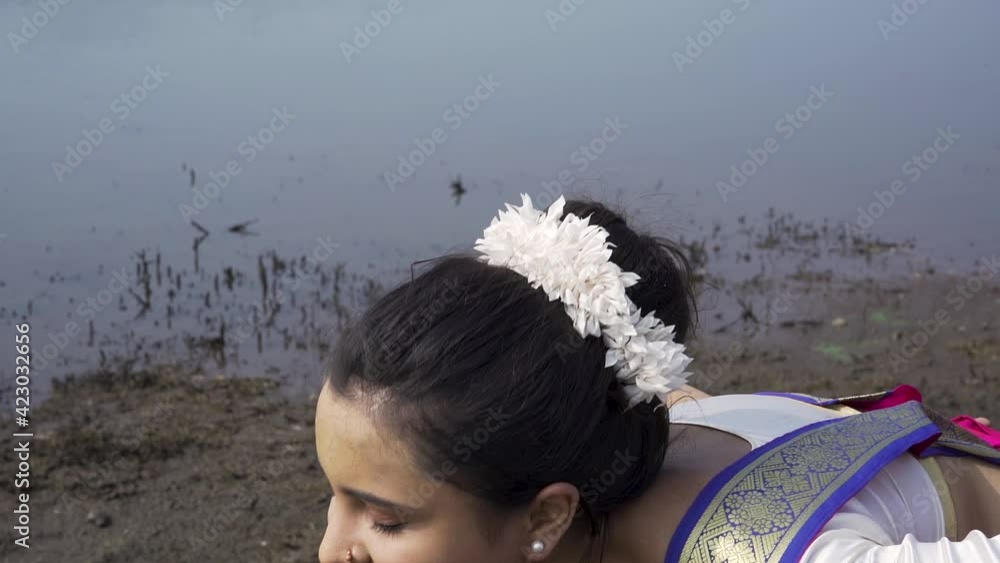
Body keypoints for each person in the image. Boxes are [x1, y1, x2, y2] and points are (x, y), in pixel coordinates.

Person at [314, 194, 1000, 562]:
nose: (329, 550)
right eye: (336, 495)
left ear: (548, 517)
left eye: (384, 521)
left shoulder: (747, 552)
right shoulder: (622, 418)